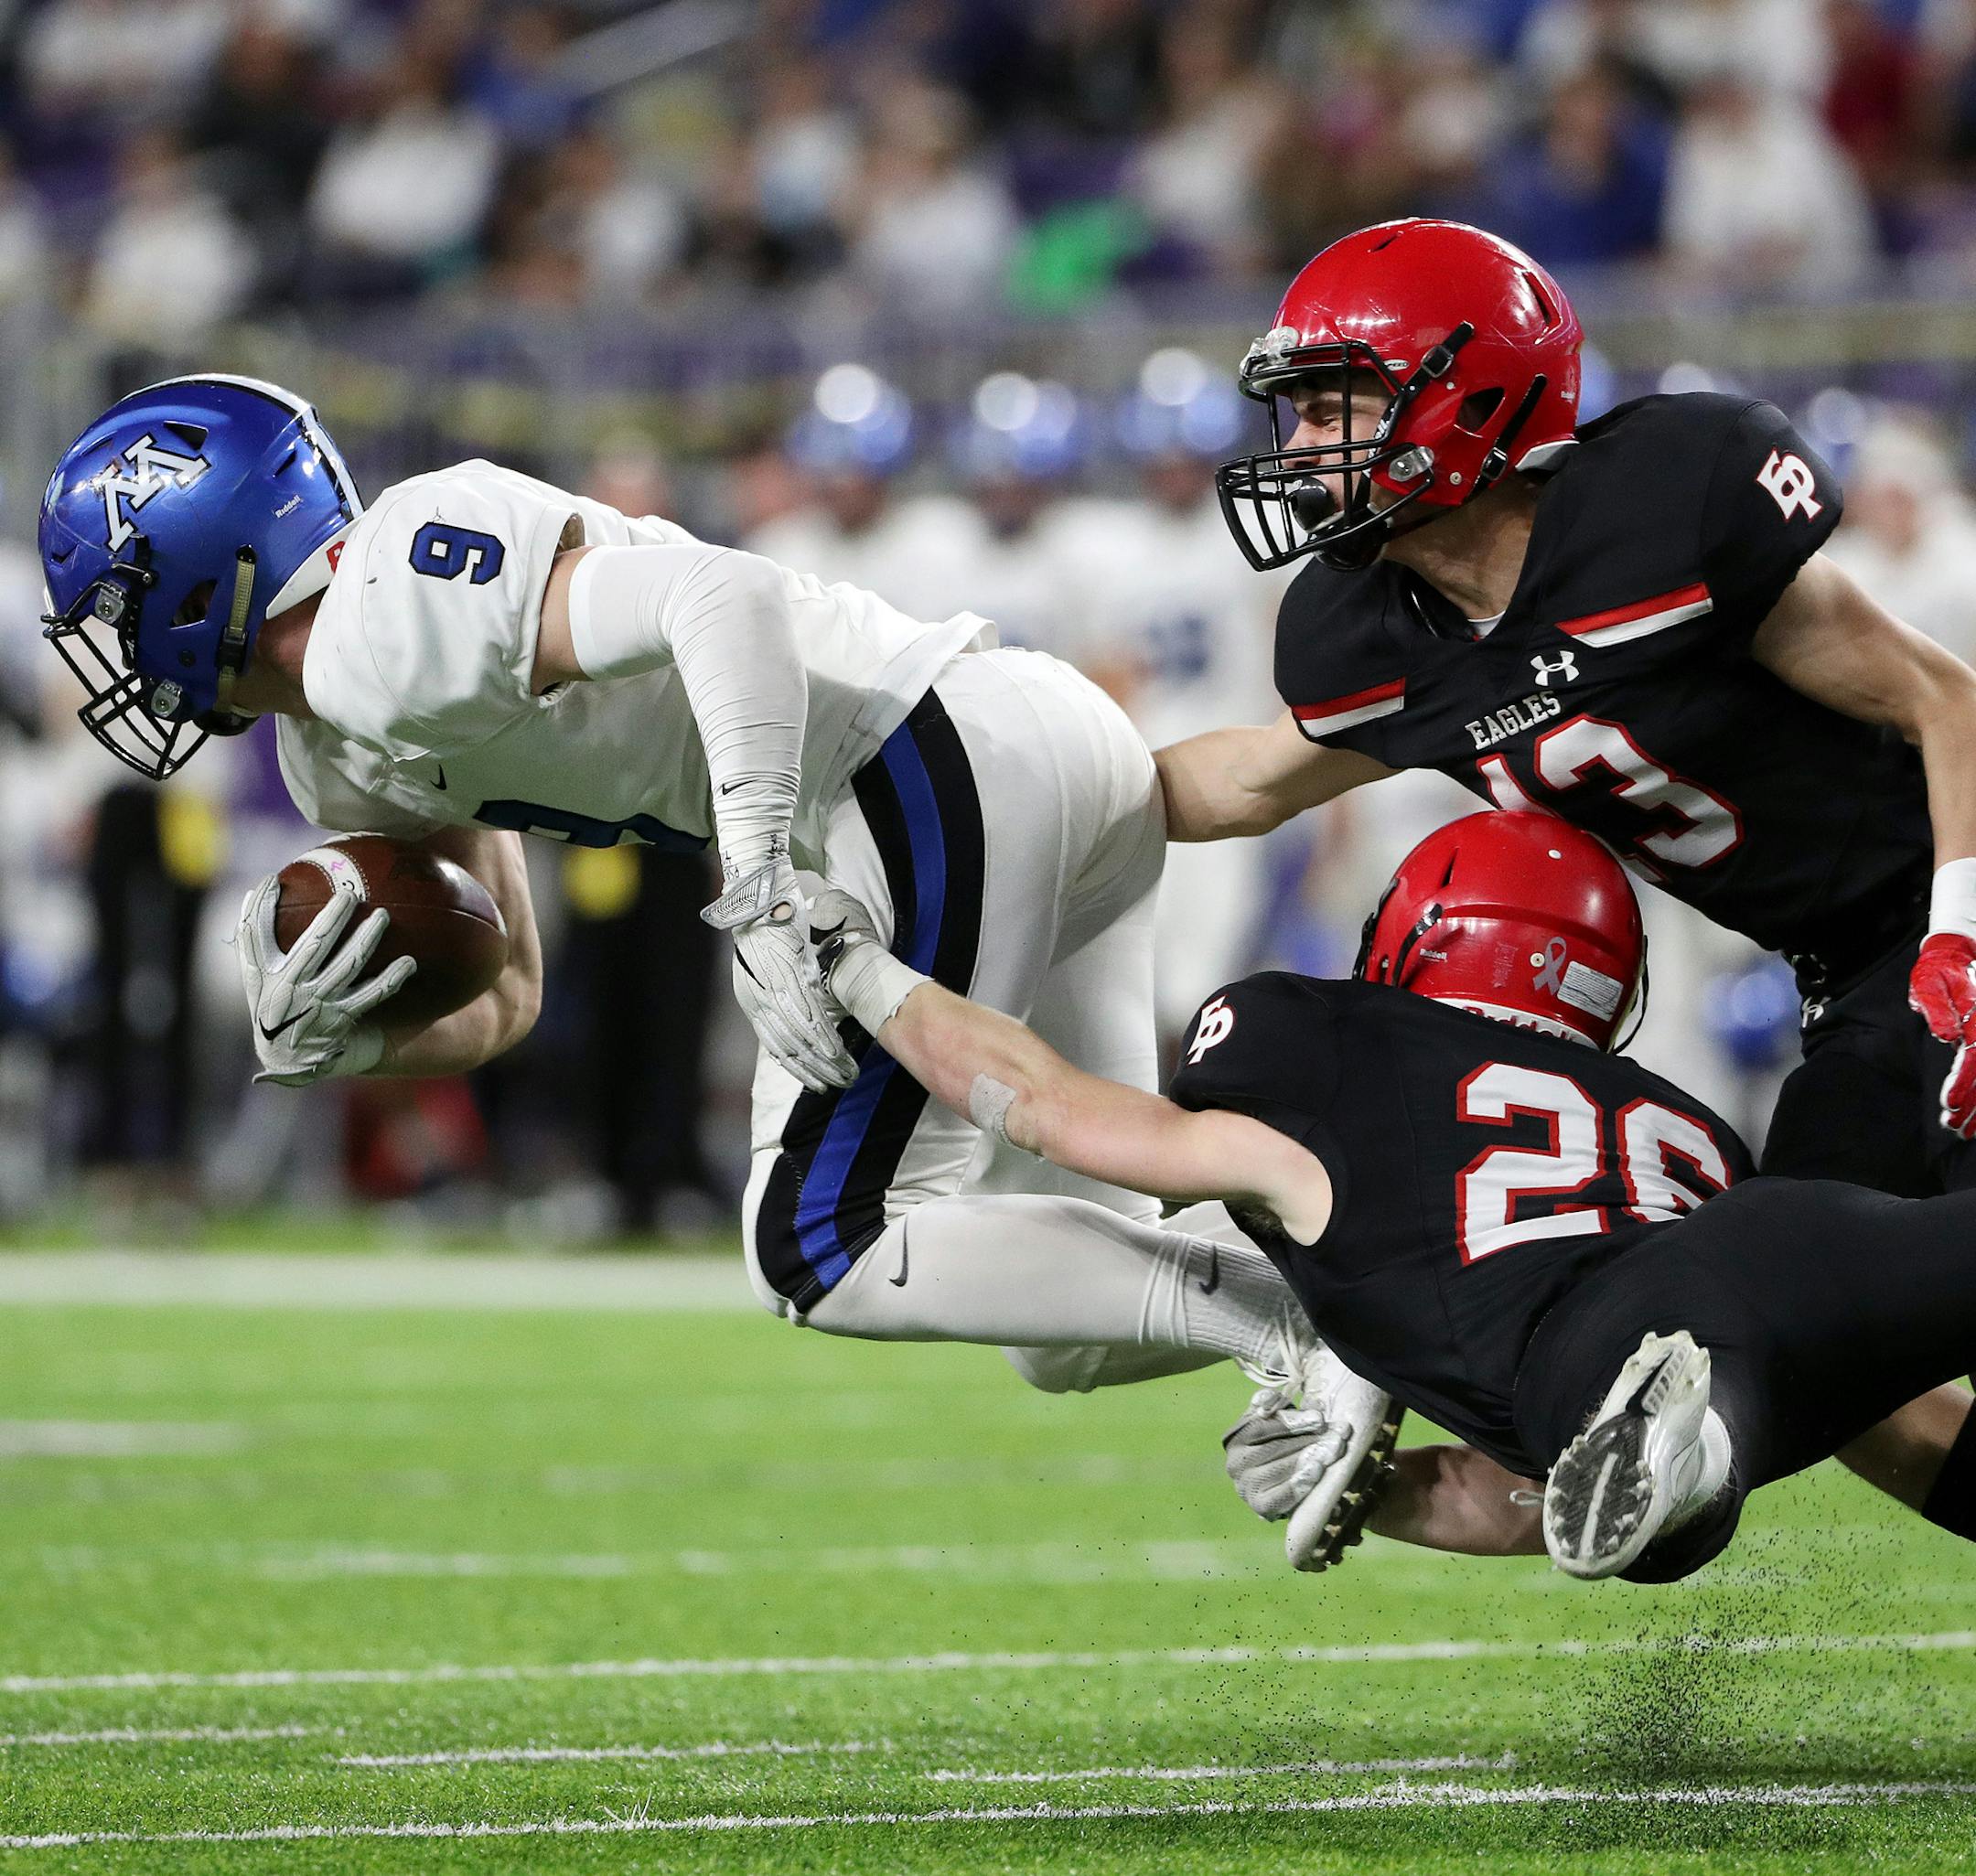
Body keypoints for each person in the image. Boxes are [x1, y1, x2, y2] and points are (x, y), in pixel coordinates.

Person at [36, 372, 1375, 1497]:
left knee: (821, 1239)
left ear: (207, 554)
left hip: (908, 761)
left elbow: (719, 598)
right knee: (1073, 1323)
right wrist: (352, 1040)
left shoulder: (381, 614)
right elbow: (507, 992)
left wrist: (758, 879)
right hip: (1017, 750)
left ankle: (1285, 1316)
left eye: (119, 596)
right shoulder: (339, 739)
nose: (113, 644)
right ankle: (1379, 1277)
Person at [1155, 217, 1976, 1549]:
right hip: (1854, 983)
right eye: (1298, 410)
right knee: (1775, 1337)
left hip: (1948, 929)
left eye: (1335, 401)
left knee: (1798, 1301)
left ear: (1469, 394)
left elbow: (1951, 701)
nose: (1304, 444)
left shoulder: (1661, 507)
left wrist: (1966, 938)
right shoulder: (1374, 633)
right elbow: (1247, 780)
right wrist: (1014, 786)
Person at [806, 809, 1976, 1583]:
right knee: (1800, 1405)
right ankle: (1690, 1434)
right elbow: (1562, 1492)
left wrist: (866, 974)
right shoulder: (1682, 1123)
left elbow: (1050, 1103)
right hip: (1794, 1236)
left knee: (1671, 1499)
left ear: (1419, 934)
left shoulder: (1328, 1051)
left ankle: (1692, 1444)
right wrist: (1388, 1494)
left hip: (1609, 1342)